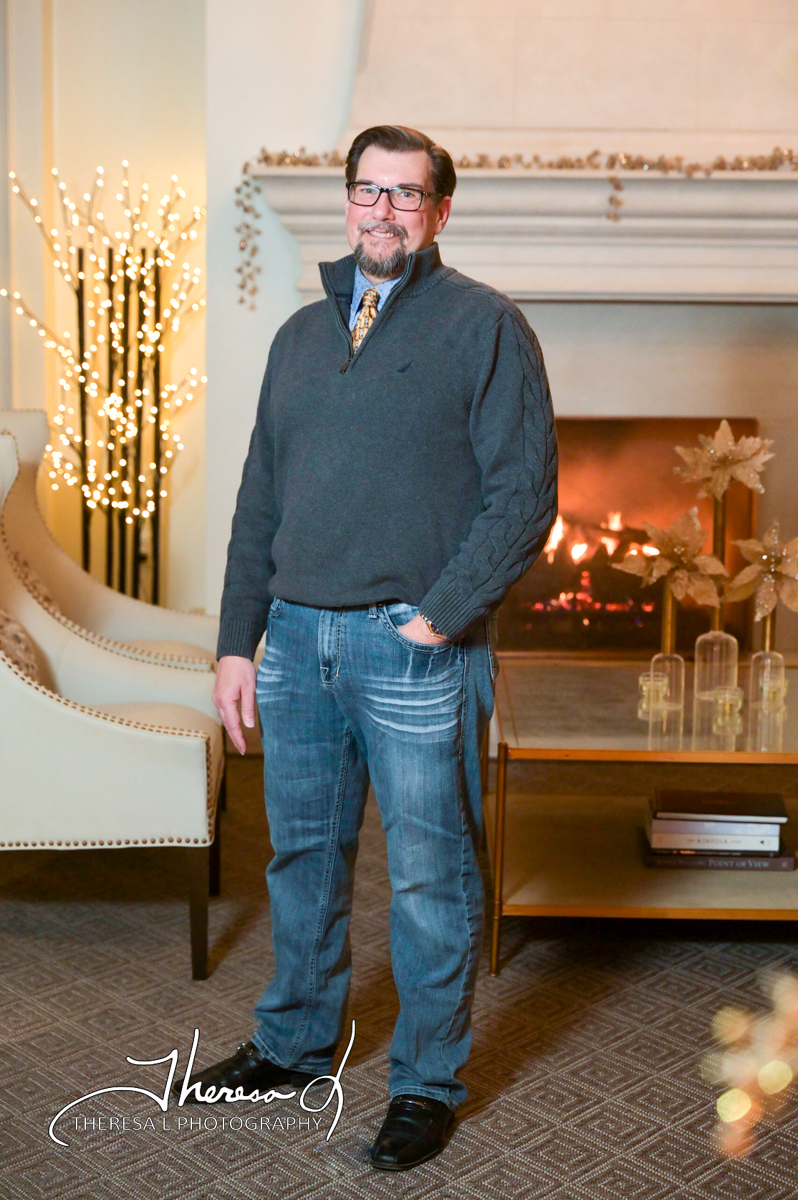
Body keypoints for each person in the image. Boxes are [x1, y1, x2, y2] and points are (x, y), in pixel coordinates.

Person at [176, 125, 557, 1171]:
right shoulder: (298, 337)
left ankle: (427, 1084)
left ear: (440, 211)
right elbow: (260, 496)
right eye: (367, 190)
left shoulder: (486, 325)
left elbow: (526, 495)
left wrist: (438, 617)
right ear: (346, 200)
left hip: (414, 648)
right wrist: (238, 643)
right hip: (295, 642)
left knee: (432, 878)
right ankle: (295, 1043)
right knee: (302, 858)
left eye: (406, 194)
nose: (383, 210)